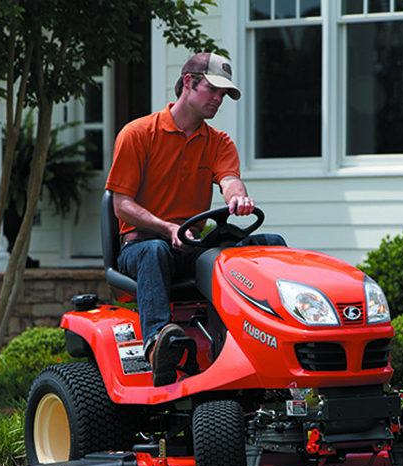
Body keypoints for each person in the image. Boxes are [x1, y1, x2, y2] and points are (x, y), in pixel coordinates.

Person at [105, 52, 285, 386]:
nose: (218, 99)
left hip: (191, 247)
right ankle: (159, 343)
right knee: (155, 252)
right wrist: (166, 228)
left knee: (269, 245)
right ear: (188, 82)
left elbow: (230, 181)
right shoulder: (138, 134)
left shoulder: (218, 142)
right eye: (213, 90)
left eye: (224, 95)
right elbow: (122, 206)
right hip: (142, 246)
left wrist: (238, 199)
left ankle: (271, 337)